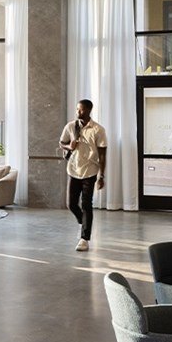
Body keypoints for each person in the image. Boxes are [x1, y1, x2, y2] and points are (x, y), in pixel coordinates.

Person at [59, 99, 107, 251]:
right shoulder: (71, 126)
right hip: (74, 169)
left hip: (90, 171)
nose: (78, 112)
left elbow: (102, 155)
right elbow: (61, 142)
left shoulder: (98, 130)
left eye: (81, 110)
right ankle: (83, 221)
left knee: (86, 204)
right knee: (71, 204)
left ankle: (84, 238)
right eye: (77, 109)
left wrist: (101, 176)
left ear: (88, 110)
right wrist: (69, 145)